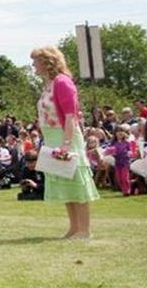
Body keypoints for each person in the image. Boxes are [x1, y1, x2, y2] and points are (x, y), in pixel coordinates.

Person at [31, 46, 98, 239]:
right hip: (52, 136)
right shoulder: (48, 84)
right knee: (64, 180)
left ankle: (84, 229)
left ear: (47, 62)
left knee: (76, 181)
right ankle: (74, 227)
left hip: (65, 135)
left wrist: (67, 143)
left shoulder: (62, 82)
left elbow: (70, 116)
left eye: (36, 61)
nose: (34, 65)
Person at [104, 127, 134, 196]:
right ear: (115, 133)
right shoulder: (114, 143)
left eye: (121, 131)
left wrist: (129, 153)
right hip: (117, 162)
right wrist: (111, 152)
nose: (120, 133)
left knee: (124, 177)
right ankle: (124, 189)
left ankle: (127, 191)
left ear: (124, 133)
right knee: (119, 178)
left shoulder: (127, 142)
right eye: (118, 131)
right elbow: (109, 150)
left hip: (125, 162)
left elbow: (131, 151)